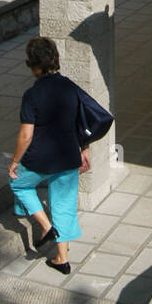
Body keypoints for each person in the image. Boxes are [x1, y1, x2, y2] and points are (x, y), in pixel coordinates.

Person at [8, 36, 91, 275]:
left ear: (34, 66)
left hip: (39, 159)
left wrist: (14, 162)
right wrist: (84, 150)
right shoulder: (70, 87)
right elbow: (80, 122)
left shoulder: (31, 95)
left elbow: (25, 136)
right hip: (68, 157)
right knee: (64, 206)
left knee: (19, 185)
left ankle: (46, 227)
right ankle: (61, 259)